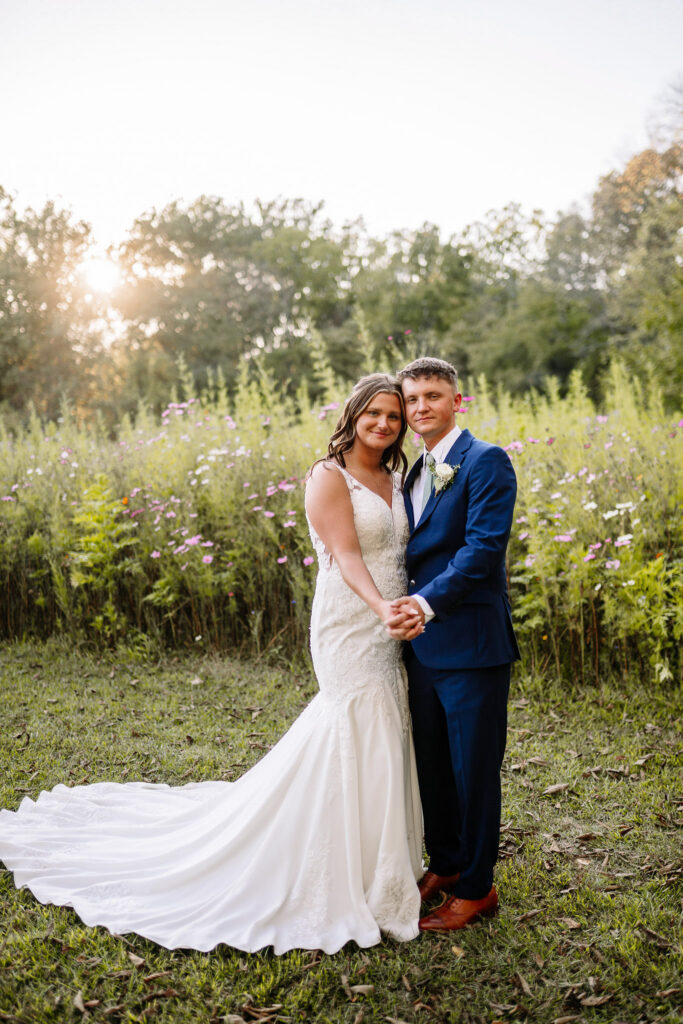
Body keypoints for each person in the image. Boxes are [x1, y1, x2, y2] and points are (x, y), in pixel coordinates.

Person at [0, 374, 424, 955]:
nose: (383, 424)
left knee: (381, 722)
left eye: (394, 417)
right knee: (357, 719)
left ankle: (379, 861)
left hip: (391, 625)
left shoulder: (399, 477)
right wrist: (382, 609)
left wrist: (410, 609)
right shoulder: (328, 477)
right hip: (351, 621)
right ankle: (342, 867)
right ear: (352, 416)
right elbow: (347, 556)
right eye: (373, 413)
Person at [387, 357, 520, 932]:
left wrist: (423, 604)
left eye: (433, 396)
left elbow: (481, 550)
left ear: (455, 400)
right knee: (434, 765)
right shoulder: (414, 471)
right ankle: (444, 863)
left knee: (473, 769)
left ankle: (476, 887)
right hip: (421, 649)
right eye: (412, 398)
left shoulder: (485, 461)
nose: (421, 408)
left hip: (470, 644)